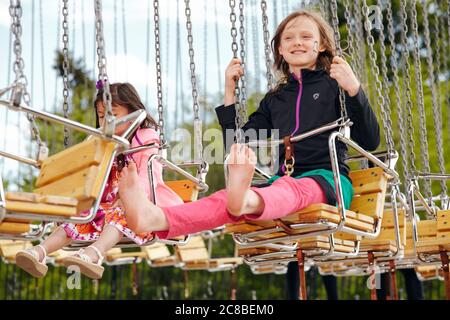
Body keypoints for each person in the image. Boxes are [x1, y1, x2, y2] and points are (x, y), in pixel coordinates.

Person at [118, 10, 380, 258]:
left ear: (321, 44)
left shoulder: (334, 85)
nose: (297, 43)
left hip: (328, 180)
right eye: (288, 38)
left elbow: (370, 141)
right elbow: (237, 143)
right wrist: (229, 93)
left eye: (306, 37)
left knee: (286, 189)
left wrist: (354, 89)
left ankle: (243, 198)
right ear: (280, 48)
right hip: (282, 180)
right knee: (225, 199)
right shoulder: (276, 99)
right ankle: (154, 218)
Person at [15, 83, 183, 279]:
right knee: (81, 215)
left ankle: (93, 254)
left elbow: (149, 173)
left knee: (123, 211)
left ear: (134, 112)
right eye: (102, 116)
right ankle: (39, 252)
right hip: (108, 204)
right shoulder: (104, 143)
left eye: (114, 114)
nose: (107, 121)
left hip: (143, 203)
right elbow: (97, 178)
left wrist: (131, 197)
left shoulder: (145, 137)